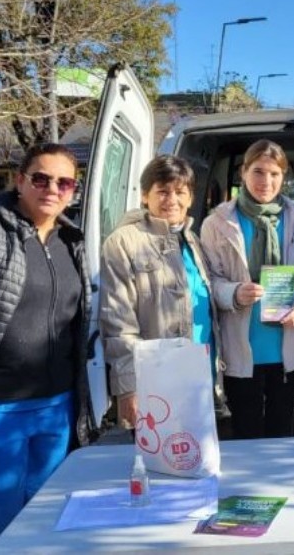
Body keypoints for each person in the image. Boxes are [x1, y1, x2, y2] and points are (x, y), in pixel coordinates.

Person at [0, 143, 94, 554]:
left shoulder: (69, 239)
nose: (52, 189)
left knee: (45, 522)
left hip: (56, 407)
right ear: (20, 180)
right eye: (41, 178)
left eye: (63, 182)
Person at [200, 140, 294, 439]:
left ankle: (281, 487)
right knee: (245, 432)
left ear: (284, 177)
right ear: (243, 172)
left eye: (275, 174)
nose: (267, 181)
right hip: (241, 345)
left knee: (281, 430)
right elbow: (208, 280)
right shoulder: (216, 222)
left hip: (286, 345)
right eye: (259, 172)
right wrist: (234, 293)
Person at [99, 155, 221, 431]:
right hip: (155, 384)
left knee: (197, 463)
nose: (172, 200)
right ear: (145, 196)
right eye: (162, 191)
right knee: (158, 467)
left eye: (180, 192)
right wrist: (129, 387)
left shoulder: (192, 240)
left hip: (198, 375)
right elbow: (118, 322)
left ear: (190, 198)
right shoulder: (123, 242)